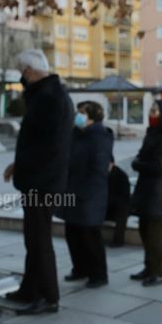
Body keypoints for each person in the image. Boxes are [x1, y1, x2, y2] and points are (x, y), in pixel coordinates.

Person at [3, 49, 74, 315]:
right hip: (44, 178)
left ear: (30, 71)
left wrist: (23, 167)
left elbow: (43, 147)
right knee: (33, 238)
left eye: (22, 72)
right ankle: (29, 289)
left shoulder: (47, 98)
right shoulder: (53, 95)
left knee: (38, 240)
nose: (22, 78)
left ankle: (48, 296)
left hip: (41, 182)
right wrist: (17, 165)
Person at [57, 101, 113, 288]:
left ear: (92, 116)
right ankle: (79, 268)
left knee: (90, 235)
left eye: (82, 112)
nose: (78, 115)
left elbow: (100, 168)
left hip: (90, 194)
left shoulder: (99, 136)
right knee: (72, 232)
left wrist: (86, 192)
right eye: (78, 112)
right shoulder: (77, 134)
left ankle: (99, 274)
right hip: (72, 191)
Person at [129, 102, 162, 287]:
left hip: (158, 192)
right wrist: (139, 162)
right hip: (145, 189)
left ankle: (158, 272)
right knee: (144, 230)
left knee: (154, 234)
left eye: (155, 110)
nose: (151, 113)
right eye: (150, 110)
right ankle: (148, 268)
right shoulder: (152, 133)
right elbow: (140, 156)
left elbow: (159, 166)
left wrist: (138, 164)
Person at [105, 155, 131, 247]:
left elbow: (124, 198)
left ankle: (118, 240)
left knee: (122, 211)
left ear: (113, 164)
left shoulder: (121, 176)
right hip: (107, 206)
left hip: (119, 206)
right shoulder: (102, 174)